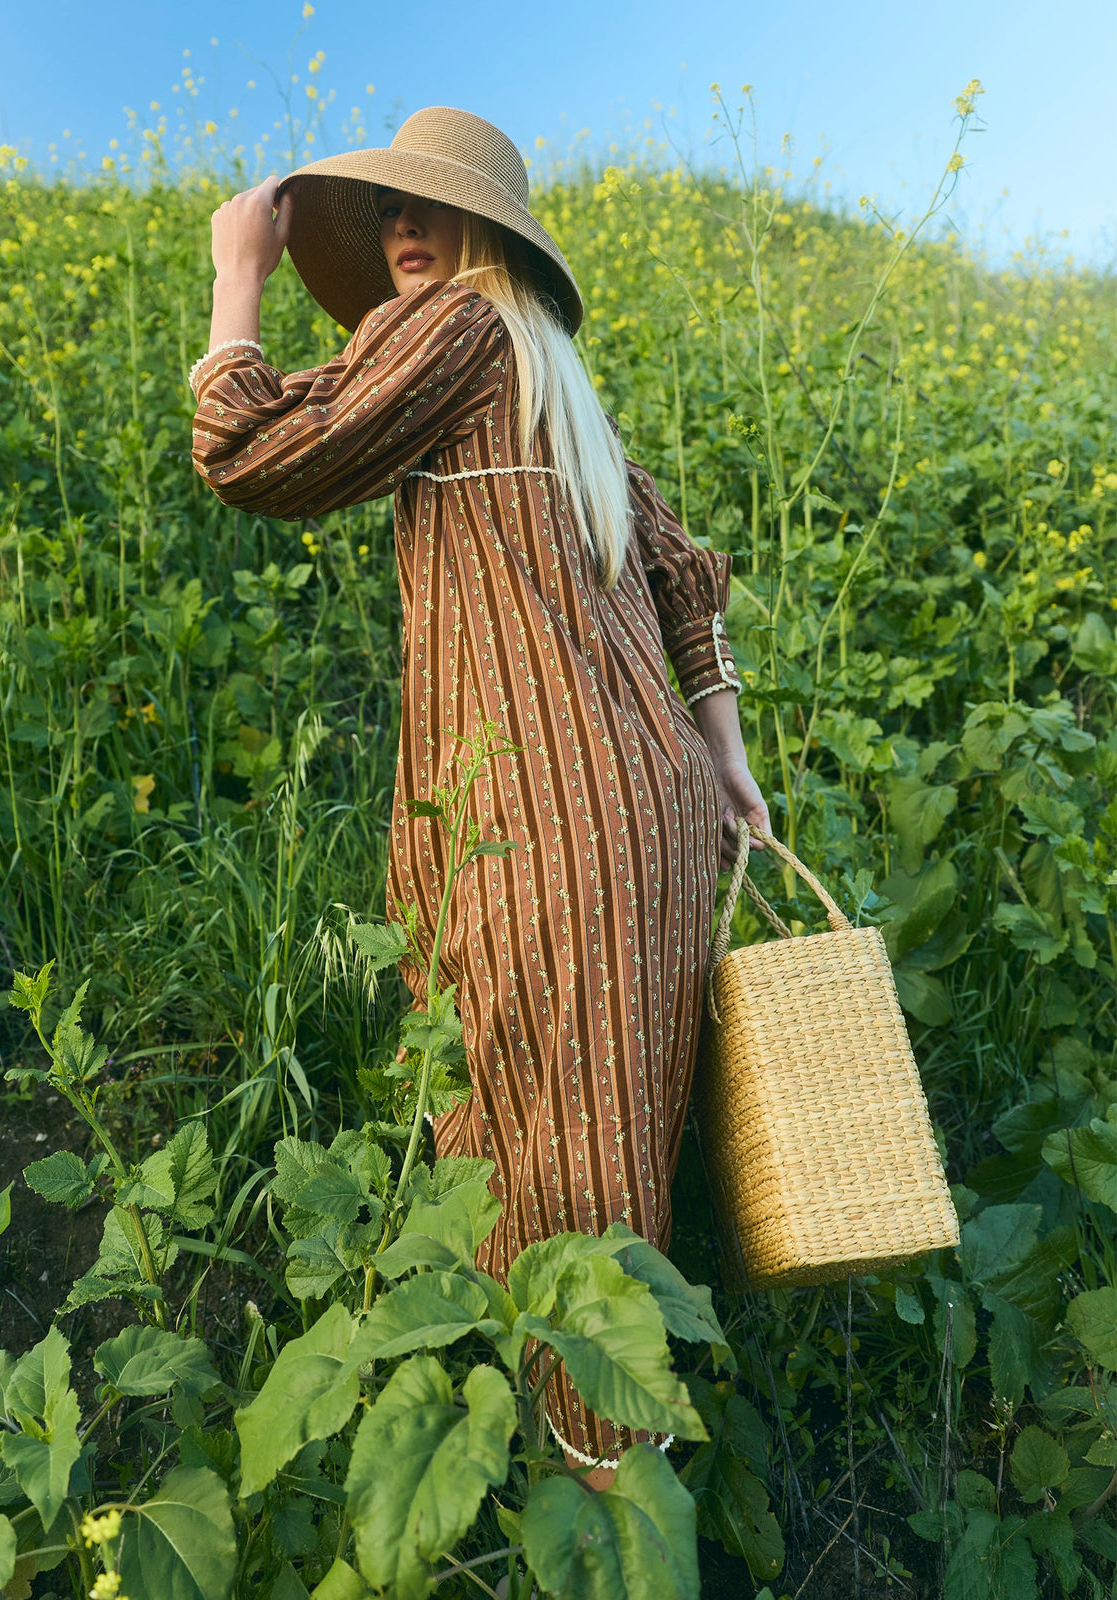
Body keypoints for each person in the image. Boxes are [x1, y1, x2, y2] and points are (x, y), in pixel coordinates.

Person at [189, 106, 770, 1483]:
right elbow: (683, 576)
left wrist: (237, 279)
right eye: (392, 210)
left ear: (489, 240)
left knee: (549, 1139)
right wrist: (728, 754)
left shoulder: (456, 333)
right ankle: (603, 1435)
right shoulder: (559, 379)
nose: (406, 230)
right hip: (645, 808)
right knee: (603, 1122)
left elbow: (250, 455)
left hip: (548, 817)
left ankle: (593, 1472)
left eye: (435, 211)